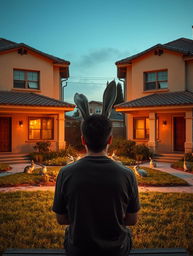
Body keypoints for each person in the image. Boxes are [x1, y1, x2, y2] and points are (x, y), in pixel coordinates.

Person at [52, 81, 140, 256]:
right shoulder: (127, 174)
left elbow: (61, 219)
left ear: (83, 140)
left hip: (79, 250)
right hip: (116, 251)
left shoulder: (65, 173)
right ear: (110, 140)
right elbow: (132, 219)